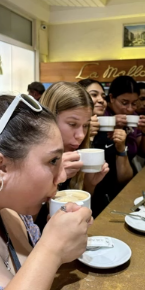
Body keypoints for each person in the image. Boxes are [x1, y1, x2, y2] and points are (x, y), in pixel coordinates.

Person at [0, 93, 93, 290]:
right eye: (53, 161)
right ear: (0, 167)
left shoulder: (14, 213)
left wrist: (64, 243)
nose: (61, 176)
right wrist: (51, 249)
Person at [34, 82, 109, 229]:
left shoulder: (75, 154)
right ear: (49, 120)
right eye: (72, 124)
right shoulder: (25, 159)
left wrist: (90, 184)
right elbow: (20, 226)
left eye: (86, 125)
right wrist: (52, 178)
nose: (81, 135)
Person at [78, 79, 134, 218]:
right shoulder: (73, 136)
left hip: (112, 204)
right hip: (85, 207)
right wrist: (85, 136)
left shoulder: (108, 131)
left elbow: (124, 179)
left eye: (103, 96)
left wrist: (121, 148)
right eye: (94, 94)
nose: (101, 100)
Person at [105, 76, 145, 168]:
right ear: (111, 98)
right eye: (124, 103)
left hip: (127, 170)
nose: (130, 109)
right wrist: (110, 123)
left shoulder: (134, 116)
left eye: (134, 103)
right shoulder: (102, 114)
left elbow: (144, 153)